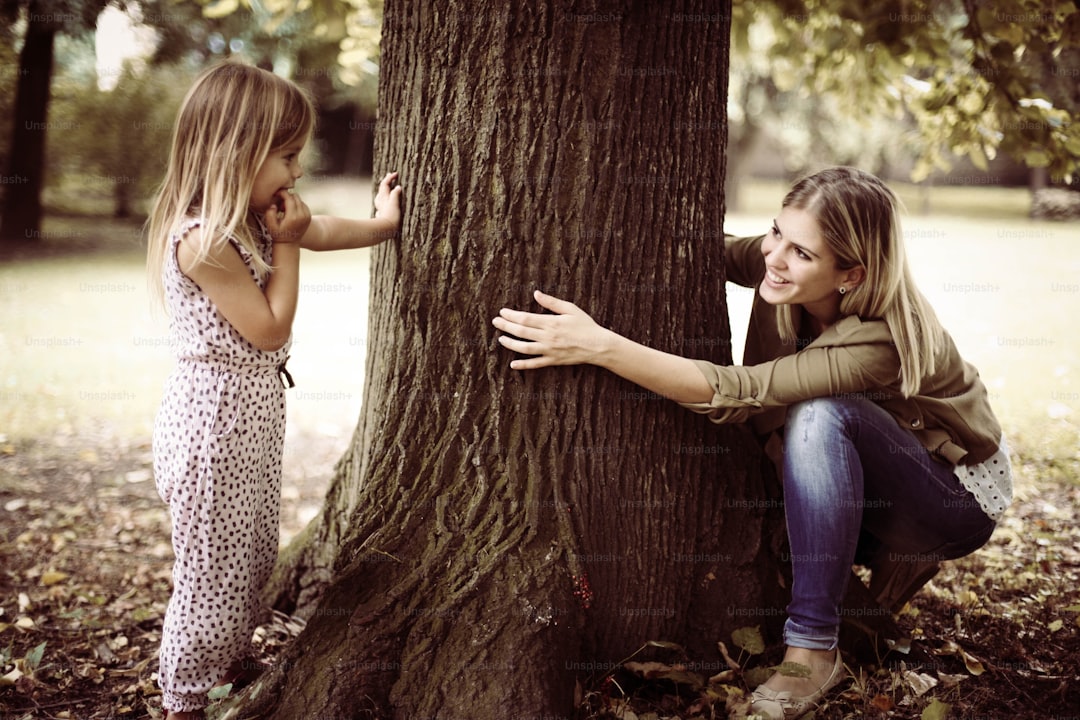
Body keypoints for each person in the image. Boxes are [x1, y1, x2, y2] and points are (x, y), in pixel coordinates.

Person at [491, 167, 1011, 719]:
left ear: (851, 274)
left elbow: (739, 392)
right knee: (807, 425)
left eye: (802, 253)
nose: (774, 257)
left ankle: (813, 651)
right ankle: (869, 566)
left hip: (953, 498)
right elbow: (700, 245)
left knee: (818, 416)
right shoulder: (779, 266)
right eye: (774, 232)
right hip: (877, 468)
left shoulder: (877, 341)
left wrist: (598, 346)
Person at [145, 61, 402, 720]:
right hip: (212, 432)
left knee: (254, 552)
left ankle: (226, 660)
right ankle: (184, 697)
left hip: (248, 422)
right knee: (211, 572)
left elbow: (320, 231)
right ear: (236, 151)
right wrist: (286, 247)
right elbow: (266, 328)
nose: (295, 173)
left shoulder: (260, 217)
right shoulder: (203, 240)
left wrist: (382, 225)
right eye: (285, 156)